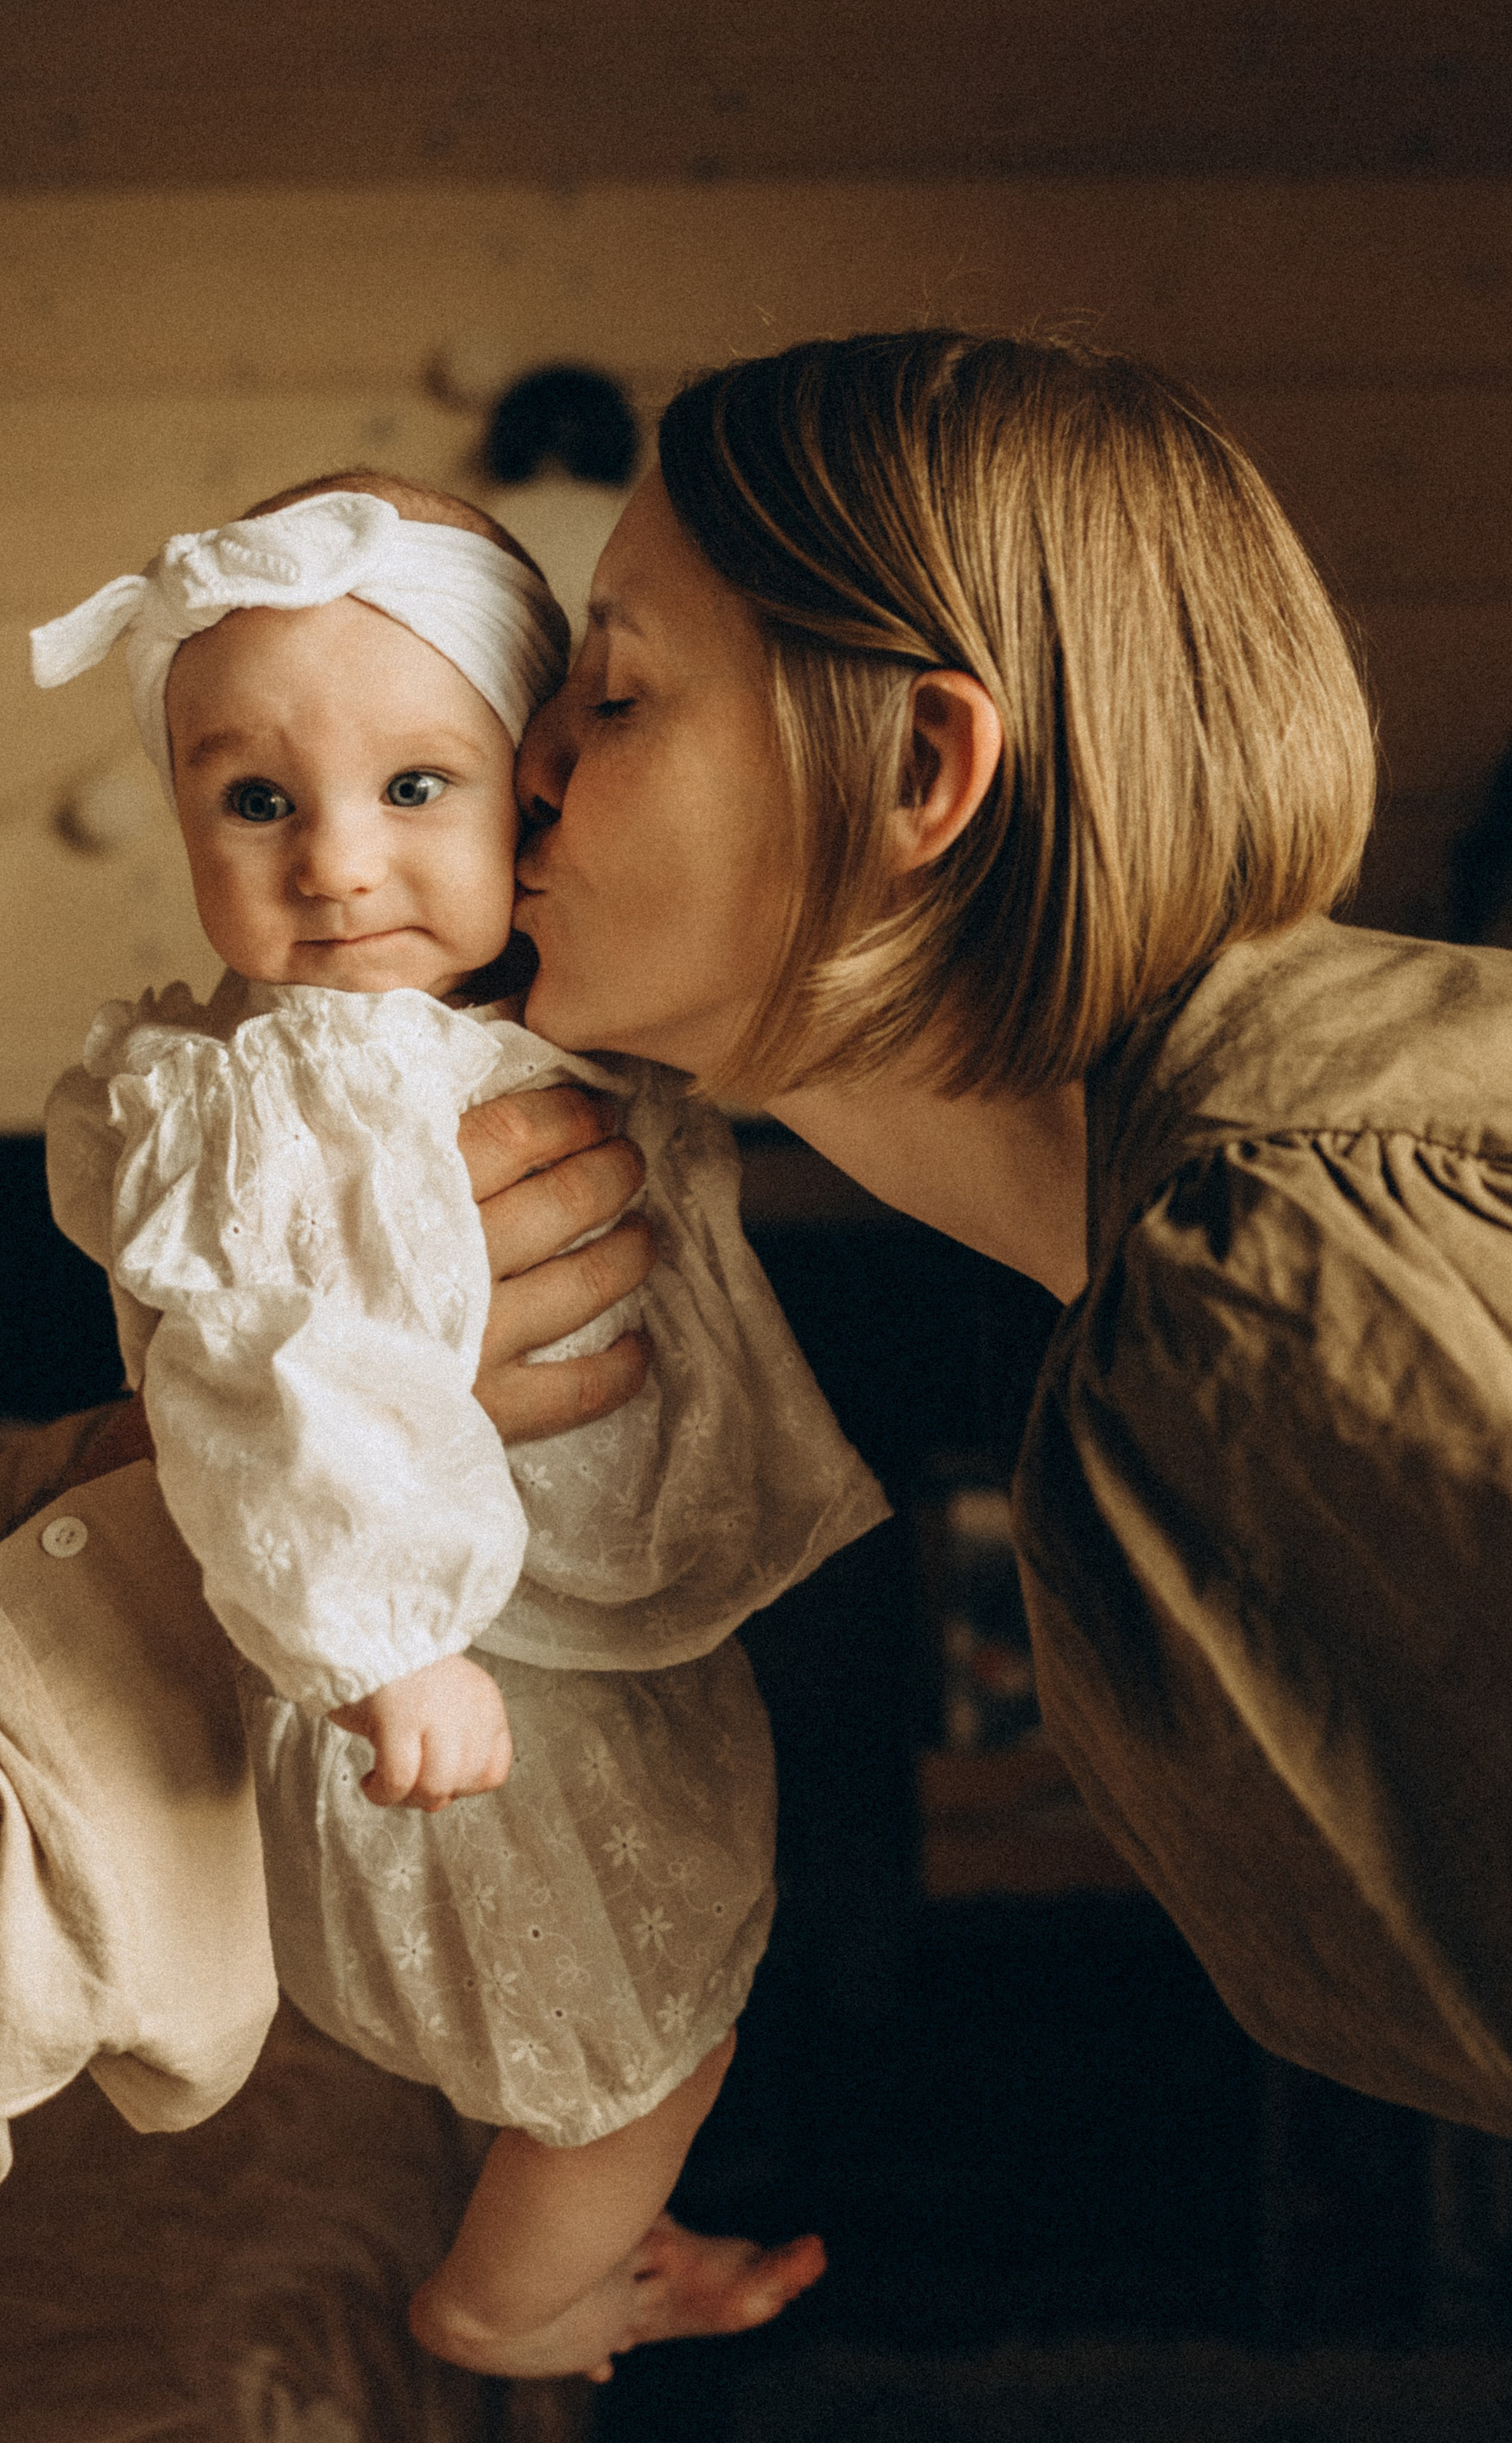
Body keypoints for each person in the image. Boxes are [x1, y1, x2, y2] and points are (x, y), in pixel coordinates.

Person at [487, 326, 1512, 2153]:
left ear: (922, 770)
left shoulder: (1275, 1263)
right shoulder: (1255, 1216)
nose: (521, 766)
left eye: (612, 698)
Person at [31, 472, 887, 2377]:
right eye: (258, 802)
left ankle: (584, 2250)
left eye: (414, 790)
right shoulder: (298, 1094)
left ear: (533, 793)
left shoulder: (506, 1029)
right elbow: (272, 1377)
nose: (332, 863)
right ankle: (505, 2304)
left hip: (572, 1665)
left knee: (650, 2020)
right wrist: (390, 1640)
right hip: (455, 1686)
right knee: (625, 2052)